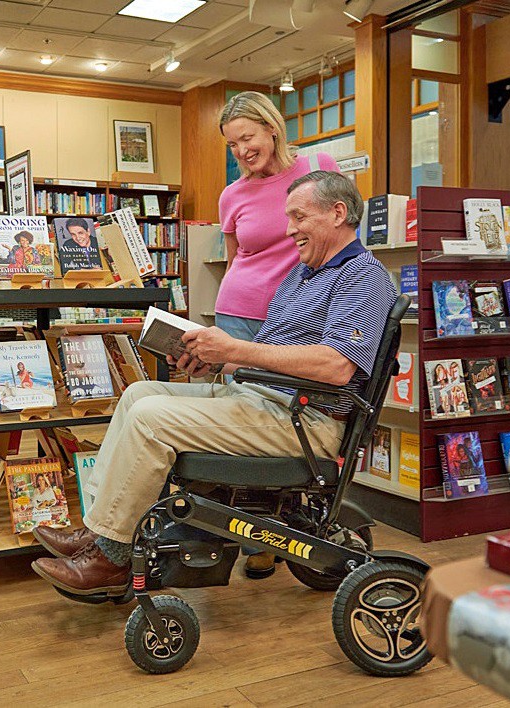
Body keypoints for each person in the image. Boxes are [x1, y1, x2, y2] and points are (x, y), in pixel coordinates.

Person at [30, 170, 396, 597]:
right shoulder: (303, 274)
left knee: (151, 418)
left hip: (305, 420)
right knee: (137, 394)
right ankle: (100, 530)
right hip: (265, 400)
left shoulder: (361, 277)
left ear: (338, 213)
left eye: (298, 217)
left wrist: (235, 351)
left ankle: (111, 557)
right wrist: (211, 362)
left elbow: (337, 366)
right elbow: (271, 357)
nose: (289, 228)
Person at [216, 91, 339, 578]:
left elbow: (343, 233)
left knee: (286, 427)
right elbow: (235, 260)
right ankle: (252, 539)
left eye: (247, 137)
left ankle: (289, 523)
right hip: (239, 315)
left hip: (294, 322)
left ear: (272, 128)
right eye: (232, 144)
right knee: (242, 428)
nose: (242, 151)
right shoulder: (233, 194)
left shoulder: (317, 166)